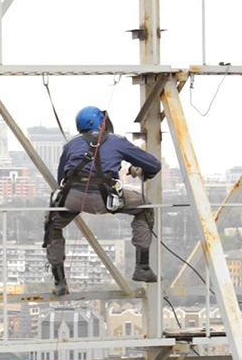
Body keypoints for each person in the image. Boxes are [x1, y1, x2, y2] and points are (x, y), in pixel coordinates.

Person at [44, 106, 161, 295]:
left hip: (71, 197)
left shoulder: (71, 145)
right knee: (144, 207)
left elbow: (61, 179)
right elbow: (154, 165)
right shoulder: (117, 142)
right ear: (102, 122)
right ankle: (142, 266)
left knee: (52, 226)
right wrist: (140, 170)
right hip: (104, 198)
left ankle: (59, 281)